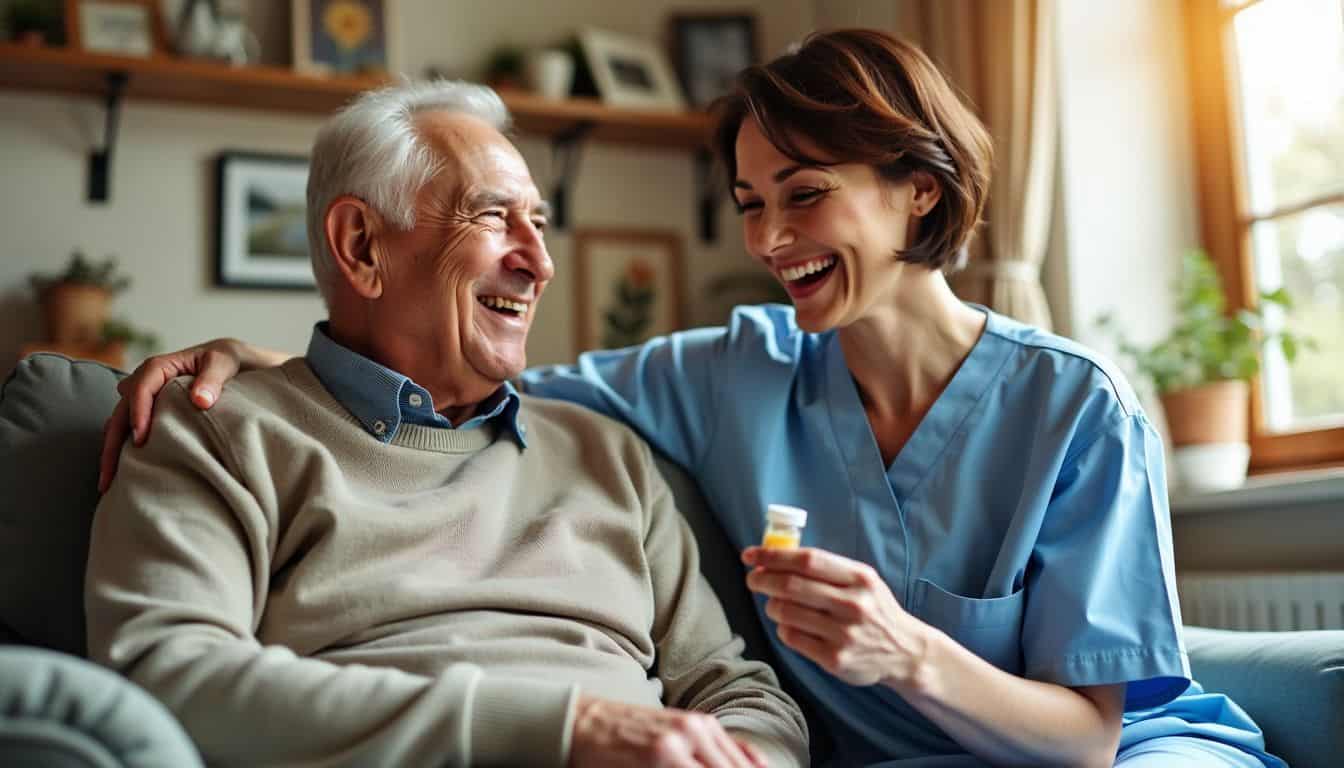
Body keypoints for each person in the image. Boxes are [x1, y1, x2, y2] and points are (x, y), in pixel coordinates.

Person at [100, 30, 1286, 768]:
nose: (767, 238)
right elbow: (428, 393)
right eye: (749, 201)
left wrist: (882, 667)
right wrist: (266, 365)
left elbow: (1084, 740)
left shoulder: (1074, 410)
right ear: (360, 246)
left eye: (802, 196)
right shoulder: (715, 373)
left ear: (918, 197)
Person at [87, 80, 809, 768]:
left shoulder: (606, 452)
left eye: (540, 222)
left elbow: (736, 690)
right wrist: (565, 733)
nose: (541, 262)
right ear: (363, 245)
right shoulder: (221, 431)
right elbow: (168, 672)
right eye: (495, 216)